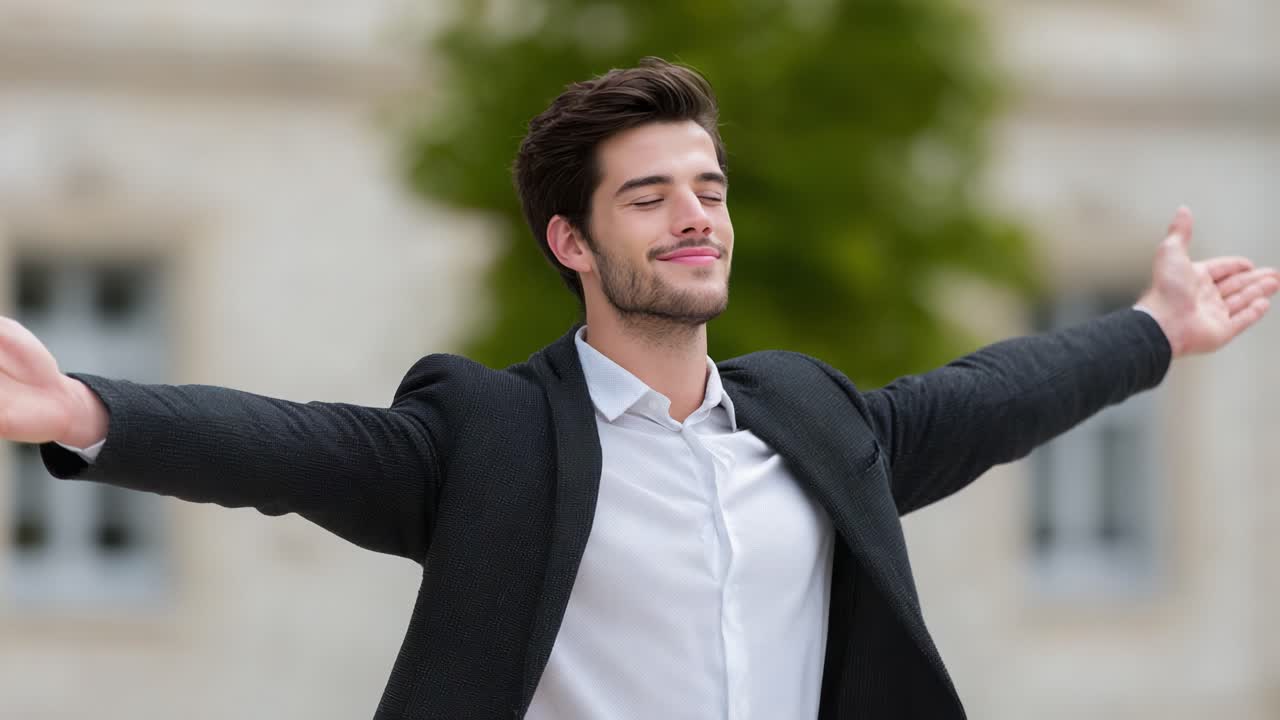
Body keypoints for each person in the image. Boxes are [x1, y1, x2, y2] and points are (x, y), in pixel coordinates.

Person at [8, 58, 1278, 719]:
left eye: (708, 190)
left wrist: (1152, 330)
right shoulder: (492, 438)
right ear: (571, 241)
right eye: (649, 196)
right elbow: (293, 448)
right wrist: (85, 412)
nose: (694, 217)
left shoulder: (811, 422)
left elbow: (986, 395)